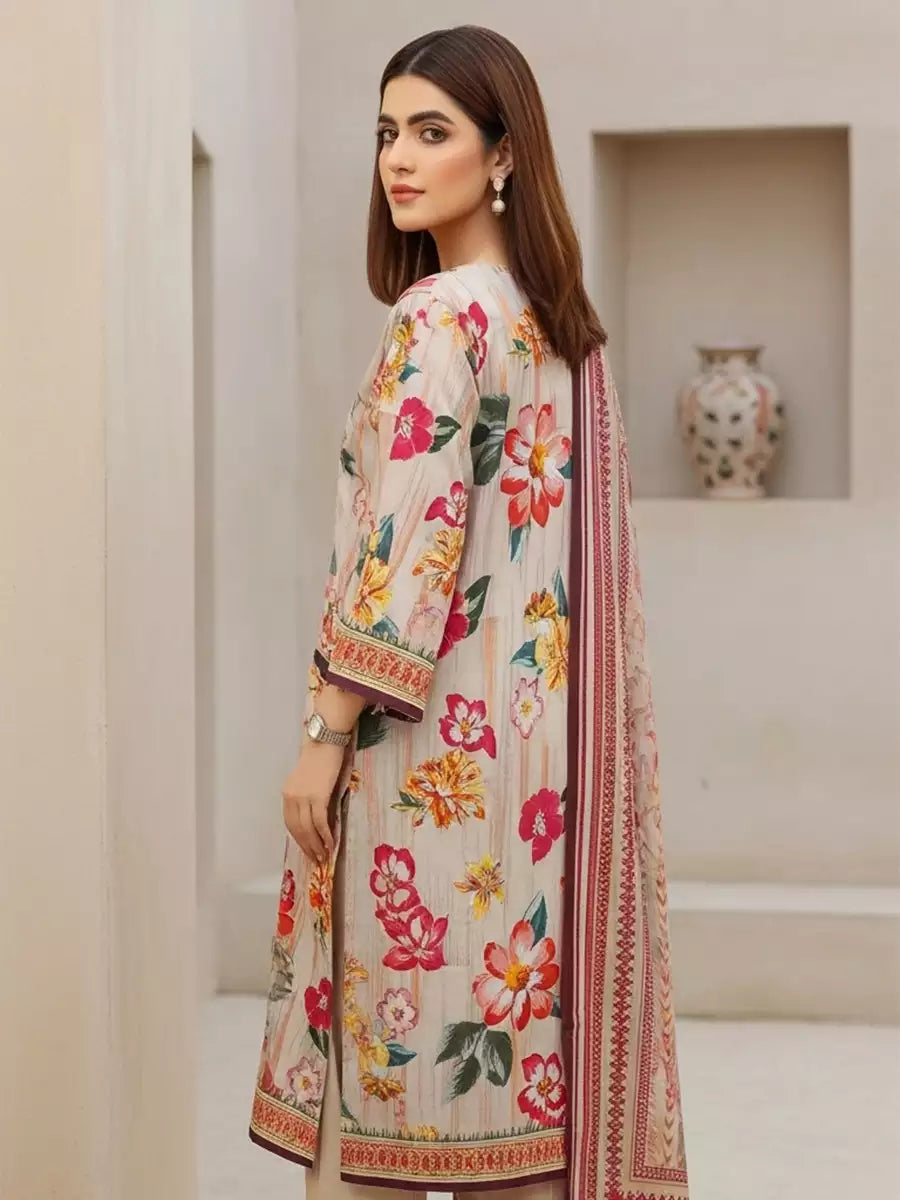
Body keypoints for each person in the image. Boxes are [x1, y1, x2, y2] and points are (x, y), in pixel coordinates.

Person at [249, 24, 690, 1200]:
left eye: (432, 131)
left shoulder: (439, 316)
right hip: (537, 791)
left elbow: (406, 551)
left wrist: (324, 734)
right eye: (387, 132)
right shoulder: (562, 334)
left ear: (503, 155)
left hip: (424, 770)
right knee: (517, 1127)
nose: (399, 157)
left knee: (381, 1111)